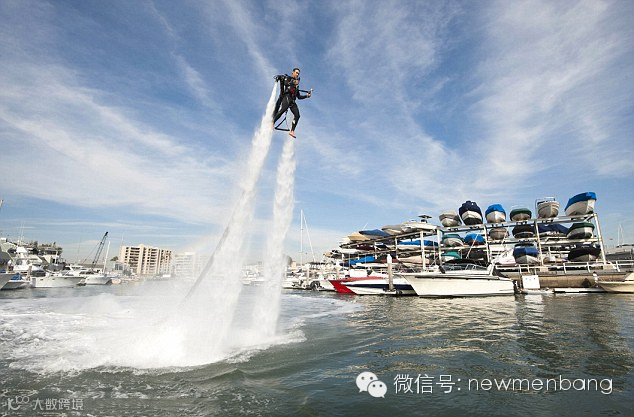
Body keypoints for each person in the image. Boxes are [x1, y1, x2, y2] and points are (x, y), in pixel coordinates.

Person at [272, 67, 311, 138]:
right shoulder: (288, 78)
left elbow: (299, 97)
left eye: (298, 73)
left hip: (292, 101)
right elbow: (286, 83)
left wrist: (307, 96)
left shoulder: (296, 86)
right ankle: (272, 123)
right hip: (286, 97)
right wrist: (294, 82)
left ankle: (292, 131)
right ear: (293, 72)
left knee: (297, 115)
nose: (297, 74)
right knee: (282, 110)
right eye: (296, 73)